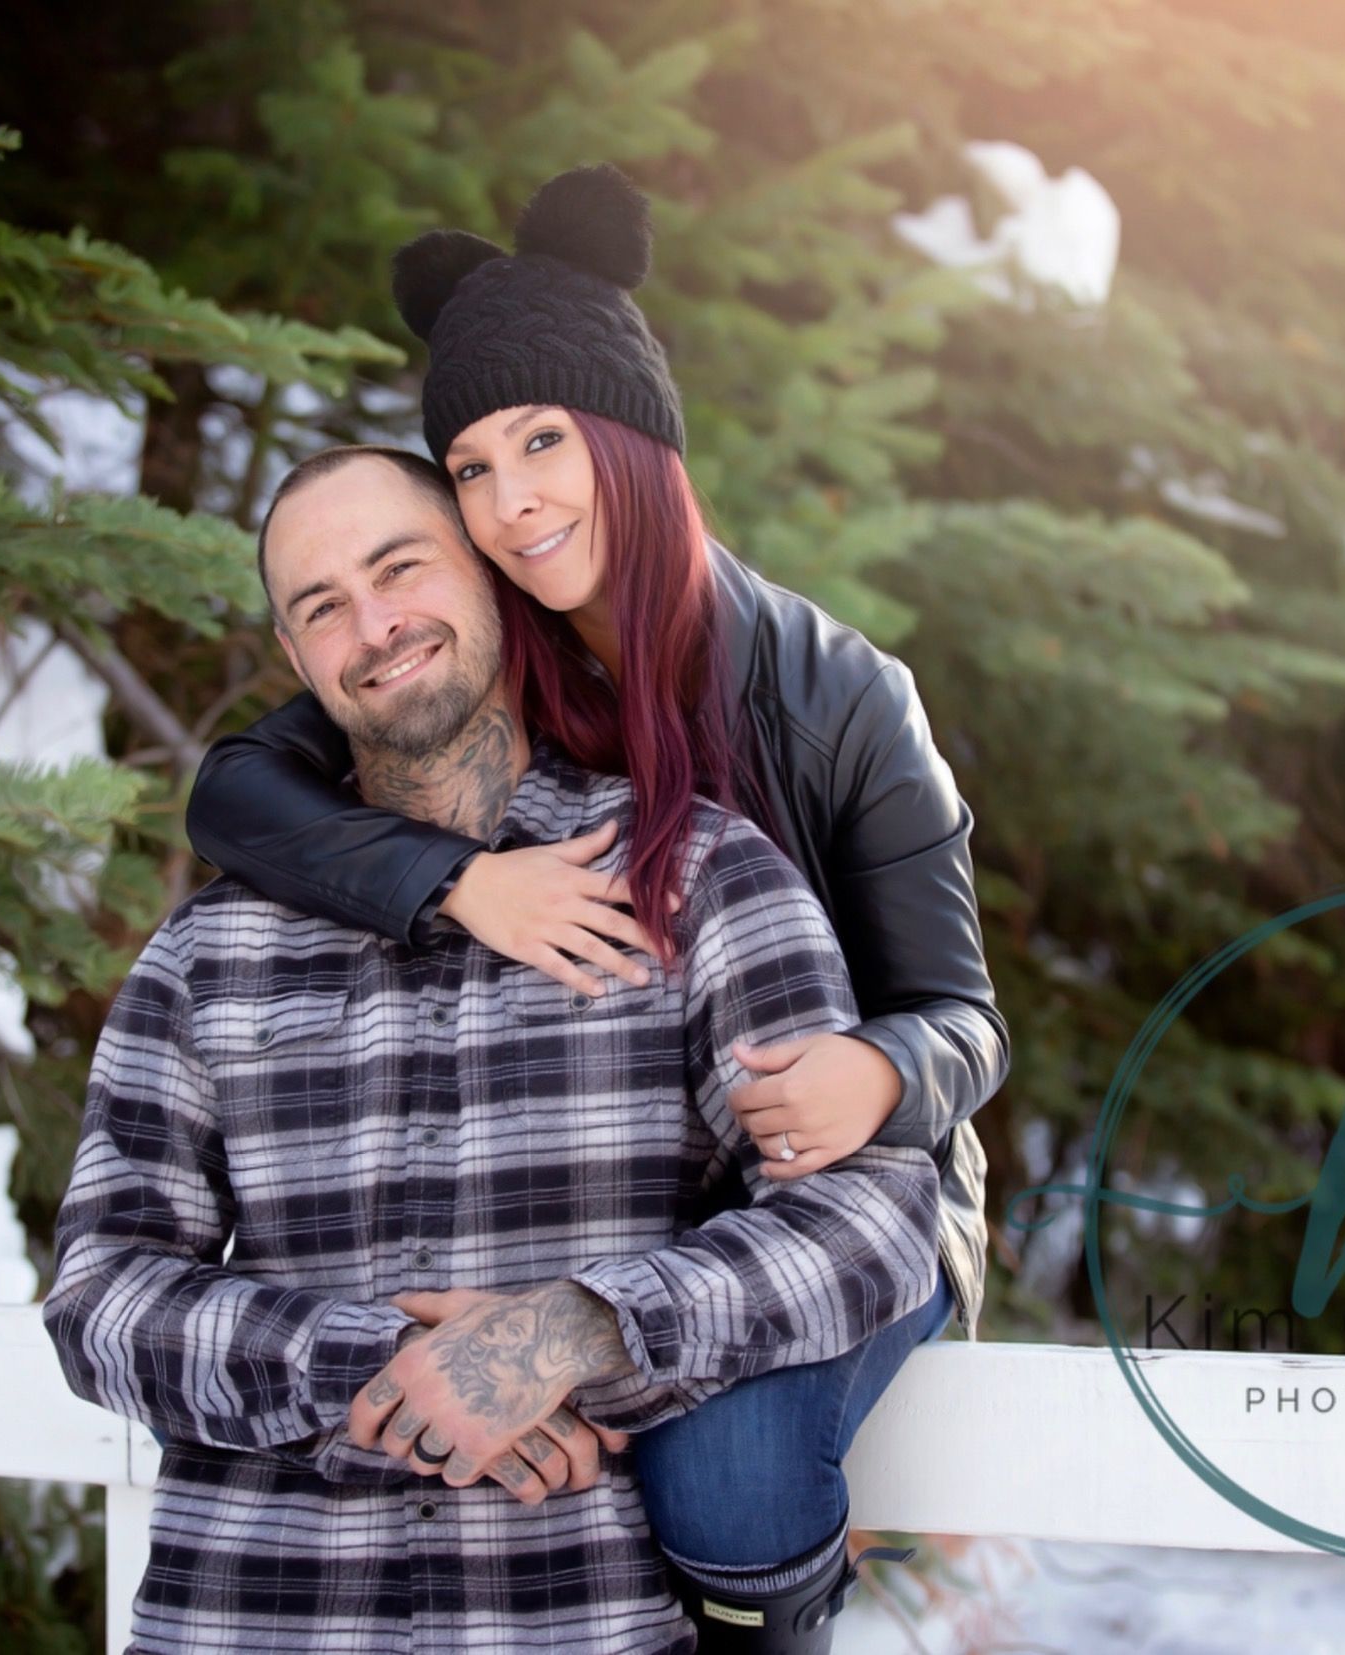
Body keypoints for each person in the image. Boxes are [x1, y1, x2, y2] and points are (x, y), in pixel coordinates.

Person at [184, 164, 1008, 1650]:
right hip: (638, 1195)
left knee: (730, 1468)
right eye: (476, 469)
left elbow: (963, 1012)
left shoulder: (841, 697)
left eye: (545, 441)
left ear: (634, 433)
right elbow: (236, 792)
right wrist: (455, 878)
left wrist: (887, 1067)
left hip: (845, 1181)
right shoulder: (491, 661)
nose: (513, 504)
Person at [44, 445, 943, 1653]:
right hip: (254, 1612)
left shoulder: (693, 879)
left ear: (490, 576)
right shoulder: (210, 950)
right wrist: (386, 1369)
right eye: (321, 606)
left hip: (571, 1613)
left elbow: (870, 1216)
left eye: (400, 566)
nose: (373, 623)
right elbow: (101, 1291)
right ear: (298, 657)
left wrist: (574, 1331)